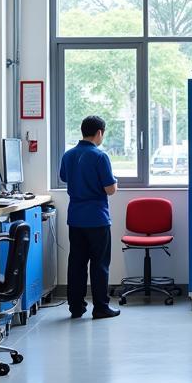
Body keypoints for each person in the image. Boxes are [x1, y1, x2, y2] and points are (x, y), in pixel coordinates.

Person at [59, 115, 119, 320]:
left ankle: (76, 307)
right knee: (99, 264)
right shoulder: (100, 157)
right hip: (97, 218)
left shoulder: (68, 155)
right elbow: (110, 189)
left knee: (76, 263)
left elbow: (65, 178)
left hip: (75, 218)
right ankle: (101, 307)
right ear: (99, 133)